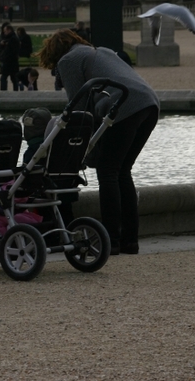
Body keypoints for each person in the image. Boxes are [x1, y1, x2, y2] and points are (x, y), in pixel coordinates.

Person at [36, 29, 159, 255]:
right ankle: (130, 241)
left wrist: (79, 153)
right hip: (149, 104)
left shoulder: (69, 60)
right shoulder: (100, 51)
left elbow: (79, 110)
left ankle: (110, 240)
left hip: (123, 107)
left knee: (108, 171)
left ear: (54, 53)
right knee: (123, 171)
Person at [0, 24, 20, 91]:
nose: (4, 32)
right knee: (13, 78)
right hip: (12, 62)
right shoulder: (11, 38)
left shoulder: (12, 39)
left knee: (5, 78)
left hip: (9, 61)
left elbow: (10, 51)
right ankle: (15, 91)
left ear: (9, 30)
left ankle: (4, 91)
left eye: (5, 31)